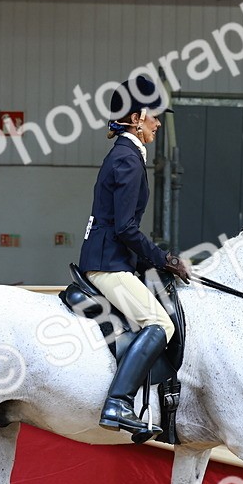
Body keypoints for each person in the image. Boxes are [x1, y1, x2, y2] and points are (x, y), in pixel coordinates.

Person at [78, 75, 191, 438]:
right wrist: (162, 258)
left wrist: (154, 264)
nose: (158, 123)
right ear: (138, 116)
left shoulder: (125, 156)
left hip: (111, 259)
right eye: (155, 116)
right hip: (107, 265)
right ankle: (118, 402)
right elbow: (125, 228)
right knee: (161, 324)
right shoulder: (127, 159)